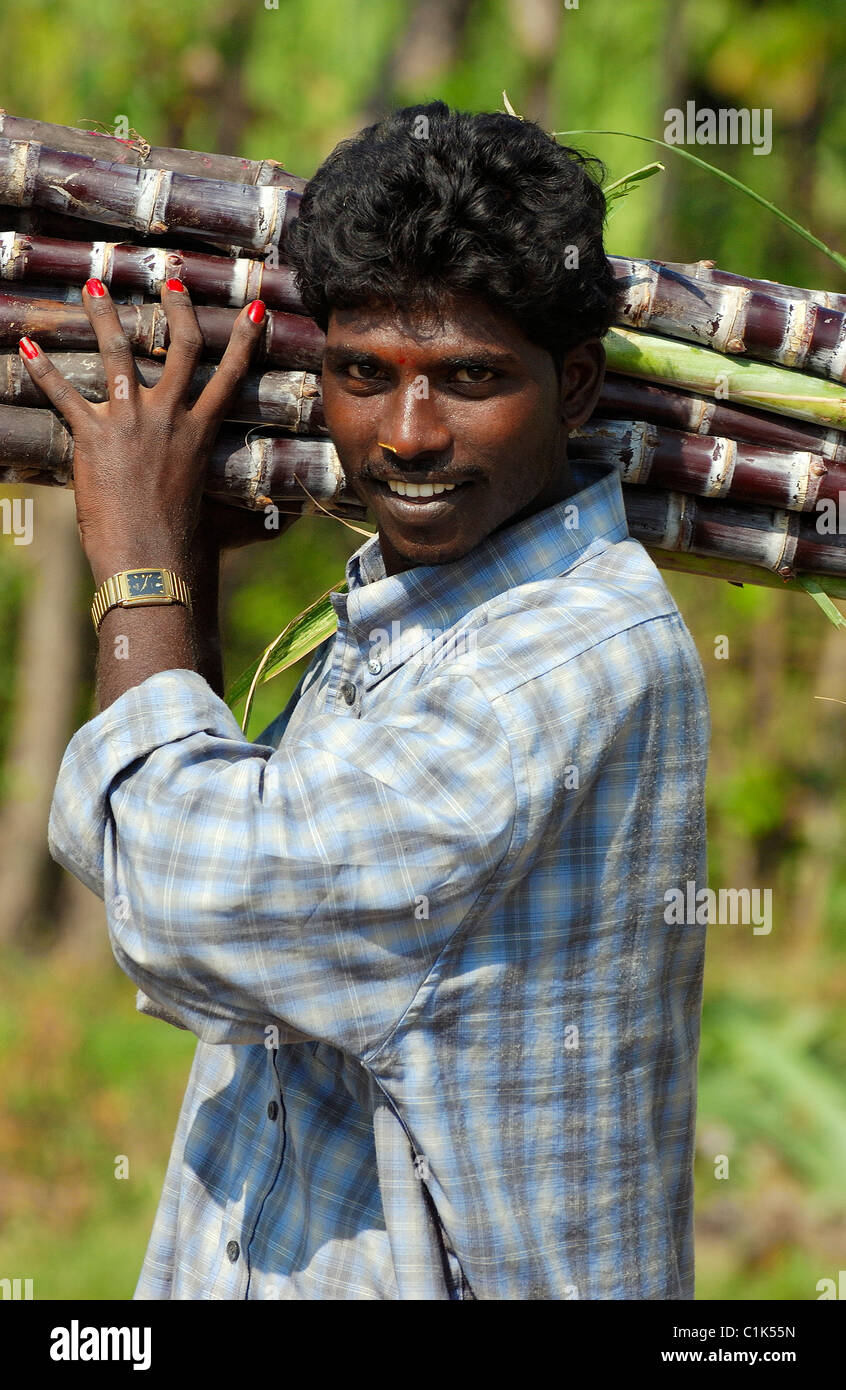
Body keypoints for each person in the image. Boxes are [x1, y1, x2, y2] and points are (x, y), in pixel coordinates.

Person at [38, 100, 709, 1300]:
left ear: (577, 385)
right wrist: (185, 567)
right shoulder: (431, 604)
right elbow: (263, 905)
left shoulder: (566, 664)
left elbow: (189, 899)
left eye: (469, 378)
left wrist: (141, 571)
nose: (405, 434)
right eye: (362, 373)